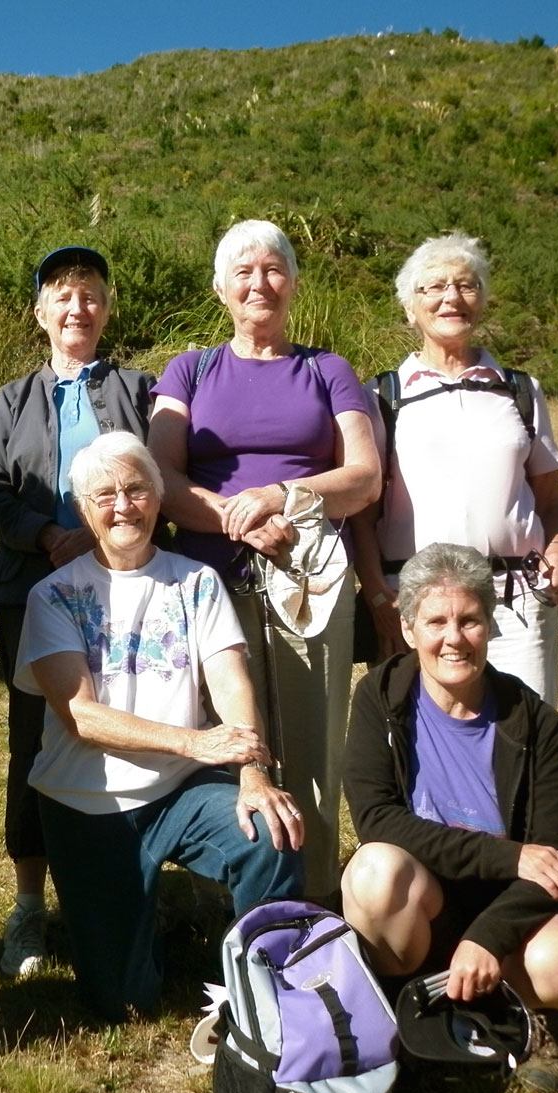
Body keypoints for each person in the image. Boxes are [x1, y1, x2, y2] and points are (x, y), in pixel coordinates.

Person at [17, 432, 304, 1022]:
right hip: (86, 803)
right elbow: (80, 717)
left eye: (137, 489)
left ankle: (264, 997)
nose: (124, 505)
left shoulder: (196, 582)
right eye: (107, 495)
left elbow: (230, 682)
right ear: (84, 508)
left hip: (180, 791)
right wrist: (195, 742)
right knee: (122, 1002)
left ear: (156, 497)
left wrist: (252, 773)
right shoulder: (53, 596)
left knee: (273, 837)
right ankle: (147, 915)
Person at [148, 219, 381, 905]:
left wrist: (280, 495)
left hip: (311, 580)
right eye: (243, 272)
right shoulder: (187, 371)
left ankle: (312, 905)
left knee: (311, 744)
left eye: (273, 269)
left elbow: (363, 476)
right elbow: (161, 476)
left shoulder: (327, 370)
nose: (259, 282)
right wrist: (236, 519)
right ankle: (228, 904)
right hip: (207, 580)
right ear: (220, 289)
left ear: (293, 284)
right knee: (224, 738)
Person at [341, 542, 558, 1093]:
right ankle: (399, 1010)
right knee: (372, 871)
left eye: (469, 620)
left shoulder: (537, 723)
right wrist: (509, 855)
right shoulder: (378, 698)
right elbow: (378, 821)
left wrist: (486, 935)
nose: (453, 638)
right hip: (425, 894)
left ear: (490, 625)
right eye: (435, 621)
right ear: (408, 629)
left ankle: (533, 1019)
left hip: (508, 904)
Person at [0, 246, 157, 979]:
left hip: (128, 592)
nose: (76, 307)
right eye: (62, 295)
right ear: (40, 313)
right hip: (33, 592)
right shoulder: (12, 400)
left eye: (90, 295)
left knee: (125, 727)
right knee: (34, 743)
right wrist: (47, 535)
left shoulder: (141, 390)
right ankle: (27, 905)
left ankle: (122, 889)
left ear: (106, 311)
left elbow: (162, 478)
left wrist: (112, 536)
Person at [350, 231, 558, 704]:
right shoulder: (382, 397)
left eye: (466, 285)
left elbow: (552, 503)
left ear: (482, 300)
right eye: (433, 287)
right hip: (416, 605)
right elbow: (362, 516)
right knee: (419, 750)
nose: (451, 297)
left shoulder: (520, 391)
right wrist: (378, 597)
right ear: (409, 308)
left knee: (521, 743)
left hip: (518, 602)